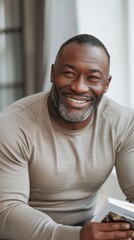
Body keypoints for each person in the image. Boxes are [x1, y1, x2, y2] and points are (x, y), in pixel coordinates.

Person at [0, 34, 134, 240]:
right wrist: (76, 236)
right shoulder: (12, 125)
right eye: (69, 73)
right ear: (53, 73)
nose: (79, 87)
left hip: (87, 226)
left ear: (106, 84)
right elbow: (7, 213)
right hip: (23, 233)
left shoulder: (123, 122)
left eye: (93, 78)